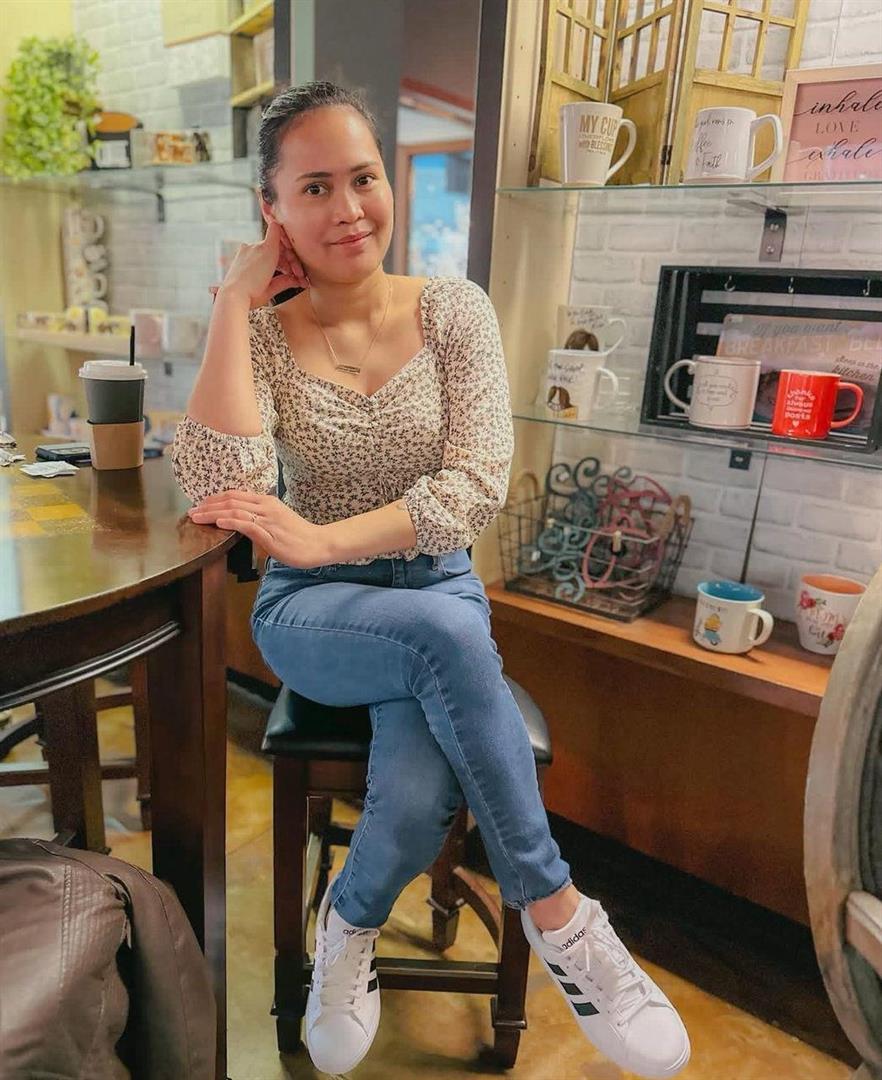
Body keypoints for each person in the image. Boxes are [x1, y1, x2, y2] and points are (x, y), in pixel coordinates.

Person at [171, 80, 690, 1079]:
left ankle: (348, 925)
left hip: (429, 587)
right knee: (451, 639)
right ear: (271, 212)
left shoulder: (455, 311)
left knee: (412, 800)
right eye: (313, 188)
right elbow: (219, 484)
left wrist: (320, 537)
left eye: (363, 177)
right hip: (313, 613)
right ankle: (561, 915)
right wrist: (234, 303)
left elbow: (473, 488)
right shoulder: (262, 337)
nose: (348, 208)